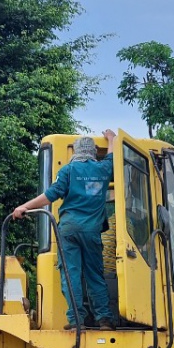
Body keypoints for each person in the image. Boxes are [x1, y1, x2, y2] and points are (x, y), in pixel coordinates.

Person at [13, 130, 116, 330]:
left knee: (71, 274)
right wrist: (111, 139)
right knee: (95, 275)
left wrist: (24, 207)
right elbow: (111, 156)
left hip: (69, 230)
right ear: (93, 152)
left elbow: (49, 196)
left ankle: (77, 320)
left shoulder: (68, 170)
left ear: (76, 152)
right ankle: (104, 319)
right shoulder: (103, 169)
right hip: (92, 231)